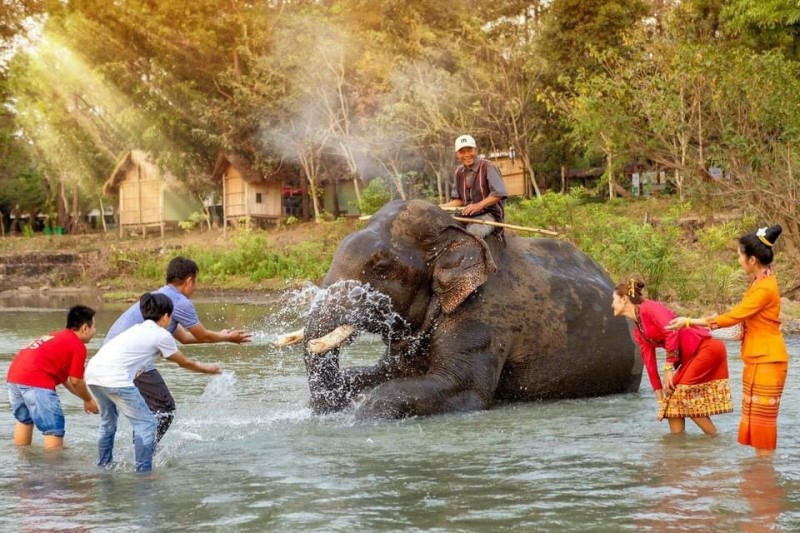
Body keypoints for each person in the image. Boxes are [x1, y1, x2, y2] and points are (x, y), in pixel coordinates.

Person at [667, 225, 787, 457]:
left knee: (762, 424)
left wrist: (690, 322)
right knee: (753, 422)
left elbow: (734, 316)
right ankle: (758, 480)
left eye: (741, 255)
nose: (739, 259)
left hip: (768, 360)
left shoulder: (765, 288)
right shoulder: (759, 282)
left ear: (752, 259)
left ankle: (764, 480)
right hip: (757, 358)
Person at [104, 256, 251, 444]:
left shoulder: (161, 297)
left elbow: (185, 338)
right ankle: (144, 452)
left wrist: (220, 336)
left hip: (113, 355)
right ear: (189, 280)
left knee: (153, 409)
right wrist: (228, 338)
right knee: (163, 407)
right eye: (195, 282)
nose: (195, 288)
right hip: (128, 360)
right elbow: (202, 335)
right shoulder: (180, 302)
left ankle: (142, 448)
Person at [85, 292, 222, 473]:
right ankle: (144, 472)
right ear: (166, 316)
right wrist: (208, 369)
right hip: (115, 377)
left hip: (93, 374)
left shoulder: (135, 330)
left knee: (108, 422)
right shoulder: (161, 335)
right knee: (147, 423)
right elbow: (184, 362)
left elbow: (129, 359)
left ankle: (104, 465)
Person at [612, 279, 733, 434]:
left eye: (614, 300)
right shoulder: (639, 331)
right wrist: (660, 398)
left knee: (683, 396)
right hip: (691, 356)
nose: (612, 305)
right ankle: (676, 452)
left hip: (706, 348)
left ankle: (716, 440)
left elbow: (671, 331)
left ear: (624, 299)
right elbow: (649, 364)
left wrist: (668, 368)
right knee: (670, 404)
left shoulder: (649, 308)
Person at [6, 305, 99, 450]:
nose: (95, 332)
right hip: (36, 381)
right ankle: (54, 470)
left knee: (25, 420)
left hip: (14, 378)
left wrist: (85, 399)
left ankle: (23, 468)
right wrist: (88, 400)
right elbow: (77, 381)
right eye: (94, 327)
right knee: (53, 430)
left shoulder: (54, 336)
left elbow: (65, 379)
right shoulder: (77, 345)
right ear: (85, 328)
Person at [439, 134, 508, 239]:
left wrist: (478, 205)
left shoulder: (489, 167)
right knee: (442, 228)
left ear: (476, 150)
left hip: (488, 215)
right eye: (462, 152)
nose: (466, 154)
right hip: (465, 215)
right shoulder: (459, 172)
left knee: (471, 235)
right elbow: (459, 201)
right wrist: (438, 208)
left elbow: (498, 194)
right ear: (457, 154)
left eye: (469, 150)